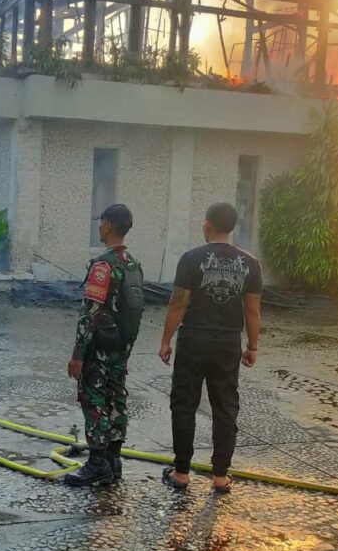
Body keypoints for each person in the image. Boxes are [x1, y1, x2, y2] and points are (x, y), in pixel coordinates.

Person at [159, 202, 262, 493]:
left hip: (193, 339)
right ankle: (220, 476)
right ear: (232, 227)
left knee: (184, 404)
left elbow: (178, 302)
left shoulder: (191, 258)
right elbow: (253, 310)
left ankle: (181, 473)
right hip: (228, 343)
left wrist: (166, 340)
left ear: (208, 225)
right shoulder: (250, 263)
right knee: (225, 407)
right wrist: (252, 346)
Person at [64, 204, 144, 487]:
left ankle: (97, 463)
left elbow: (90, 314)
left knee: (94, 399)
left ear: (108, 226)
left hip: (99, 348)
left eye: (101, 222)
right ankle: (113, 459)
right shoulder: (133, 263)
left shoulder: (103, 265)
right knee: (115, 398)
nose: (98, 226)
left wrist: (78, 354)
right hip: (121, 347)